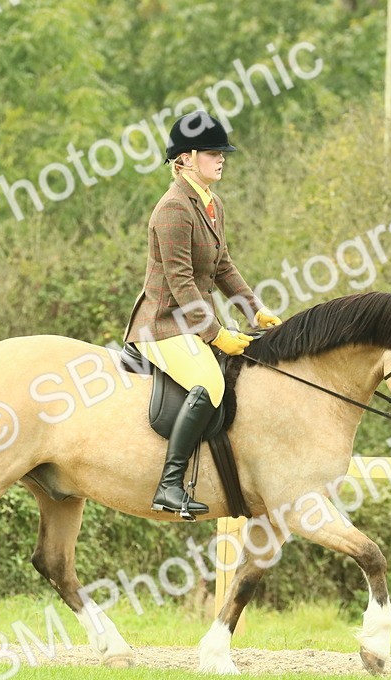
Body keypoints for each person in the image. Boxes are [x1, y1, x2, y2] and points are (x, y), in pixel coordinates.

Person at [122, 110, 282, 519]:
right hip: (161, 324)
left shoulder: (211, 204)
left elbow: (223, 266)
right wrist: (214, 334)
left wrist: (254, 310)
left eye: (221, 152)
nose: (221, 158)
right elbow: (179, 281)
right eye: (212, 152)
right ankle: (169, 486)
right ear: (186, 159)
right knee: (210, 381)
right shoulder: (174, 209)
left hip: (187, 322)